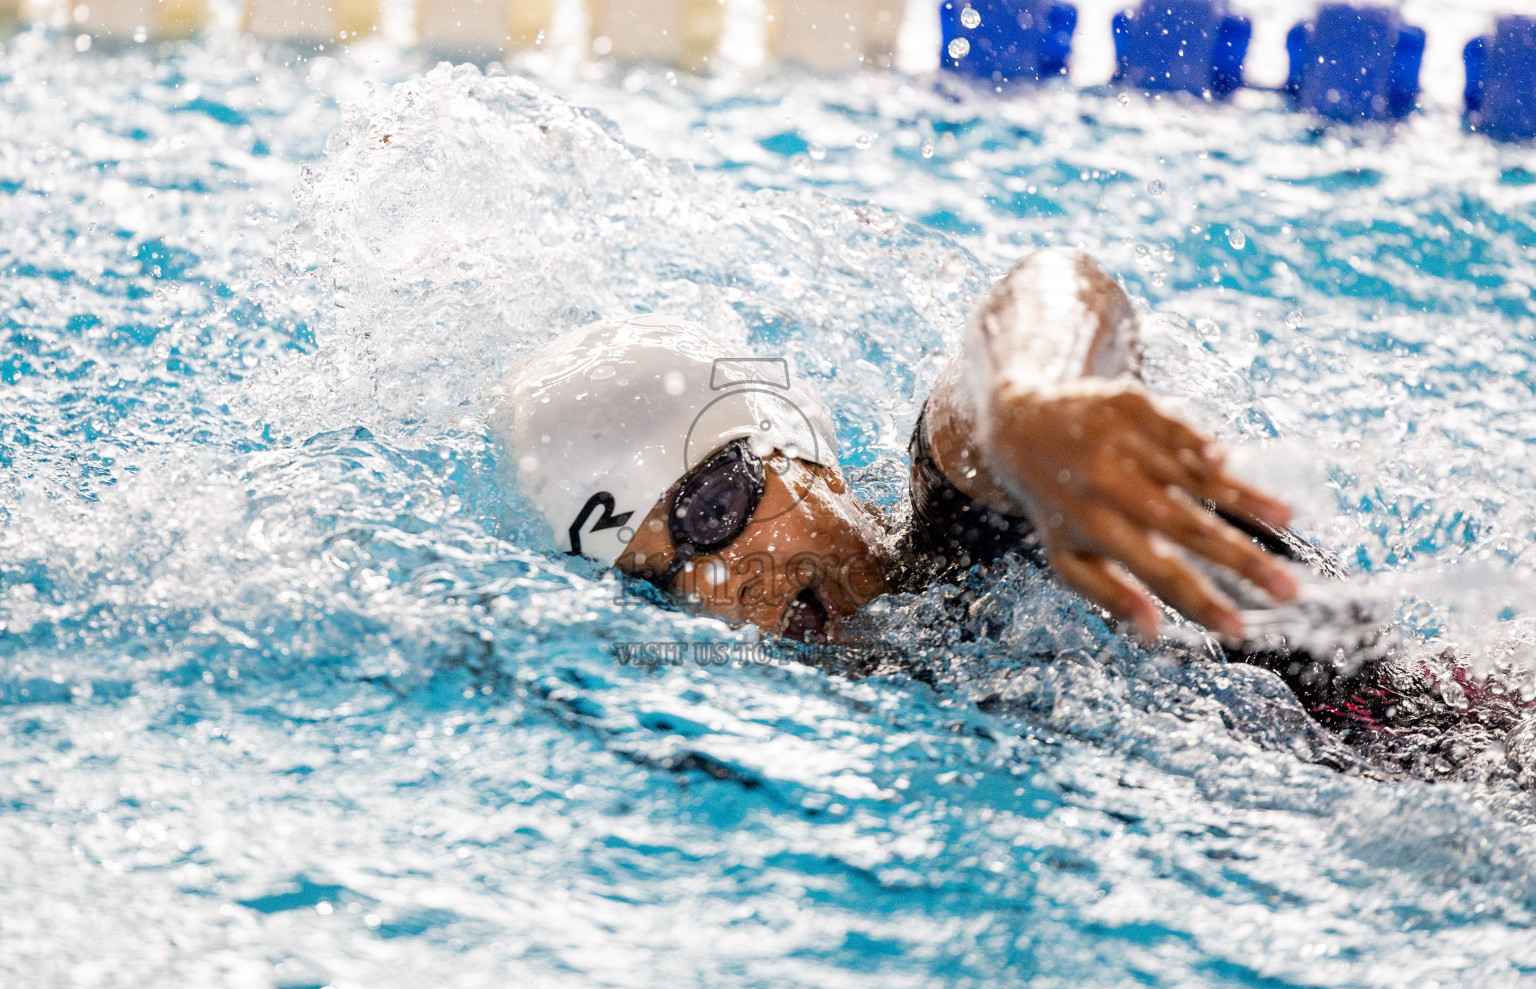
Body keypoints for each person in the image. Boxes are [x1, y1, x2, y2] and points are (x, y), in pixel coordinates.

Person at [491, 248, 1533, 784]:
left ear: (805, 454)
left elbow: (1033, 311)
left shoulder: (977, 528)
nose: (717, 585)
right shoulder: (854, 711)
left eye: (715, 507)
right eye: (657, 574)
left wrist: (1035, 403)